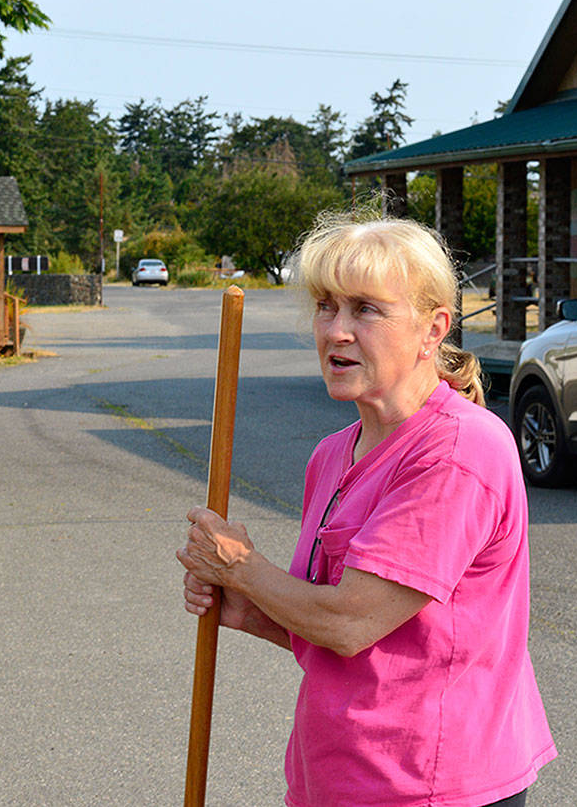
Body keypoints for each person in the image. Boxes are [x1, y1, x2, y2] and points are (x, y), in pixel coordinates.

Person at [177, 213, 555, 807]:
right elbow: (358, 642)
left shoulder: (458, 452)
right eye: (326, 306)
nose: (337, 331)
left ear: (433, 329)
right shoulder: (332, 455)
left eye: (366, 310)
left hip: (432, 785)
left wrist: (242, 568)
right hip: (337, 776)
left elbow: (350, 623)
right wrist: (249, 609)